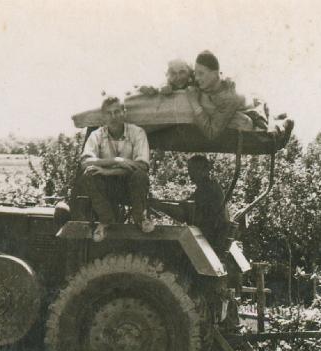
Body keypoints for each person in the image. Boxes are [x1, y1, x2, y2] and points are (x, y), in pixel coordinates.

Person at [80, 96, 154, 241]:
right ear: (103, 116)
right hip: (107, 189)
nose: (113, 117)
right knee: (88, 174)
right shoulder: (97, 135)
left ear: (124, 112)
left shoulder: (137, 133)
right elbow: (85, 162)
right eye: (108, 113)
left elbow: (142, 166)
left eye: (117, 112)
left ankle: (140, 218)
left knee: (140, 175)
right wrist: (117, 160)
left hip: (130, 188)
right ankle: (106, 220)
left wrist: (108, 170)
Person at [152, 154, 230, 251]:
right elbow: (186, 205)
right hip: (211, 235)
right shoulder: (209, 186)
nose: (190, 174)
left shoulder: (208, 188)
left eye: (193, 169)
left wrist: (156, 204)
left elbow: (182, 214)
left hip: (210, 238)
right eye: (190, 170)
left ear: (203, 171)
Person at [185, 50, 246, 140]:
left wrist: (195, 103)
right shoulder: (205, 82)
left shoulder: (229, 98)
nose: (197, 78)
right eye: (196, 73)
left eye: (201, 73)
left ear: (215, 74)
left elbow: (212, 132)